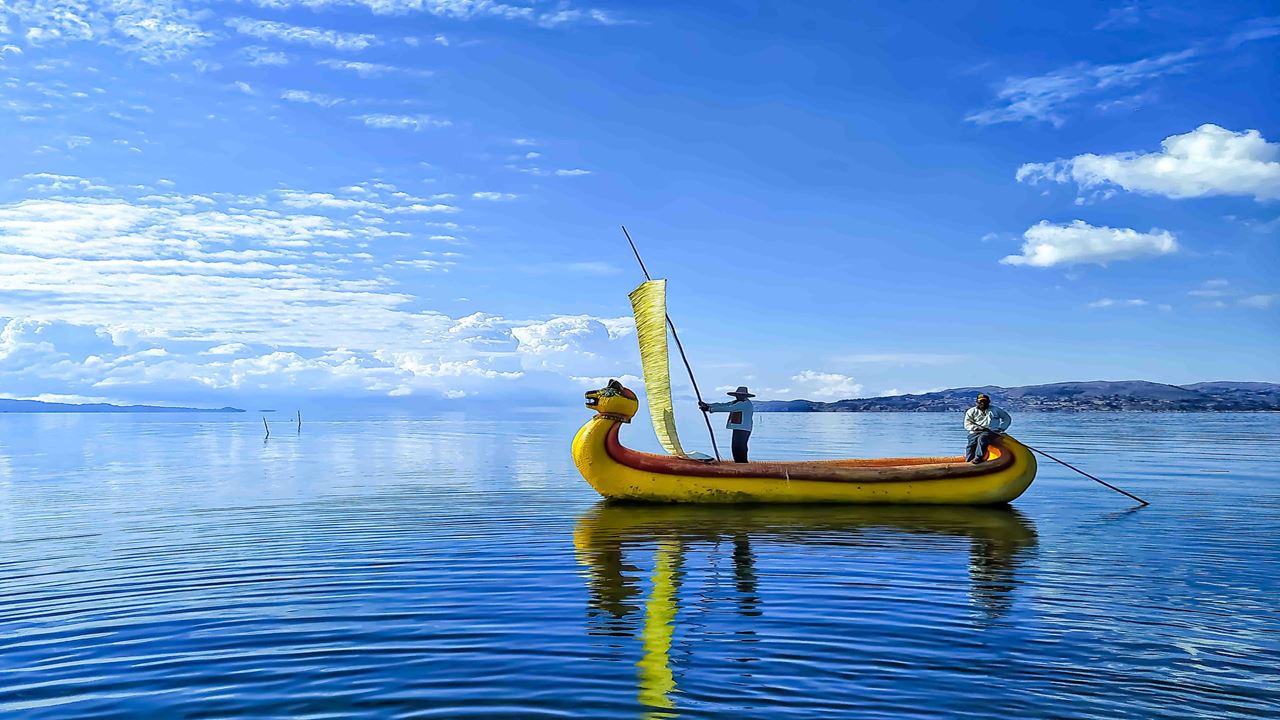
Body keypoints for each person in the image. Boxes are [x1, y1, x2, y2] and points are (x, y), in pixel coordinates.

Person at [700, 386, 755, 463]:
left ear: (745, 396)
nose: (738, 396)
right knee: (735, 447)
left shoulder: (745, 404)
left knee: (740, 447)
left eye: (741, 395)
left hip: (744, 429)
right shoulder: (736, 402)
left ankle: (743, 463)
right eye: (738, 395)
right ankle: (738, 463)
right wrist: (708, 405)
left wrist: (709, 409)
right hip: (738, 428)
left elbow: (729, 408)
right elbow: (722, 405)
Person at [964, 393, 1011, 464]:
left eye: (985, 401)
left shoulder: (995, 410)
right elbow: (967, 424)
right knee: (971, 444)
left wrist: (1001, 428)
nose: (983, 403)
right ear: (977, 402)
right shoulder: (971, 411)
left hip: (991, 431)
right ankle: (968, 461)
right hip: (975, 432)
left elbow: (1006, 418)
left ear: (988, 402)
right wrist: (976, 428)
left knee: (982, 438)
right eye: (981, 401)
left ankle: (978, 457)